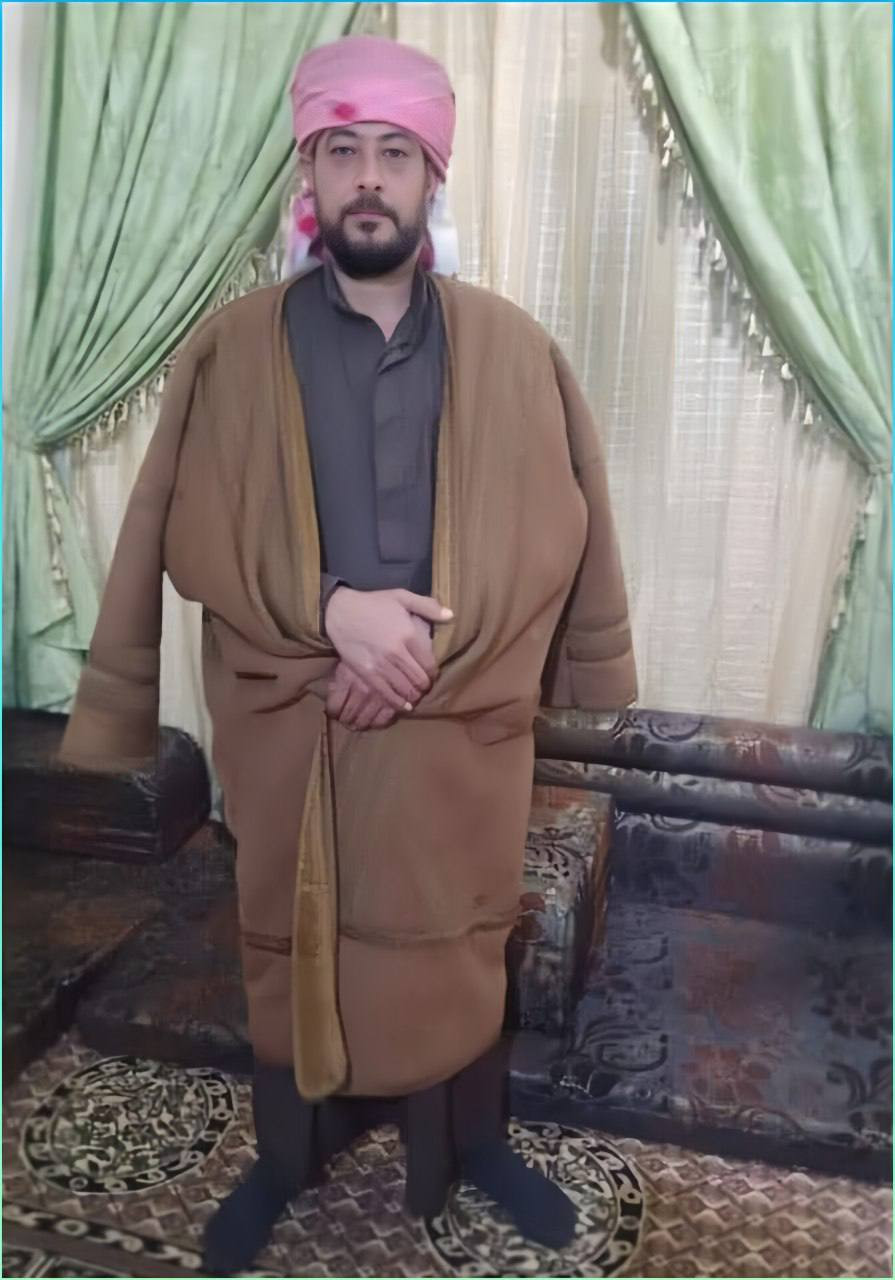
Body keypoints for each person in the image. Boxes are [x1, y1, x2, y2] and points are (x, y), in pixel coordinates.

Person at [58, 34, 637, 1276]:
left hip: (453, 729)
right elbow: (190, 523)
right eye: (341, 151)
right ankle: (283, 1159)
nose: (368, 177)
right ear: (308, 177)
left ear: (431, 177)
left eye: (393, 153)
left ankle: (475, 1145)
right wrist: (332, 617)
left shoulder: (511, 347)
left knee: (461, 943)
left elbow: (554, 531)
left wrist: (415, 655)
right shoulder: (231, 348)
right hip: (294, 717)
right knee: (286, 942)